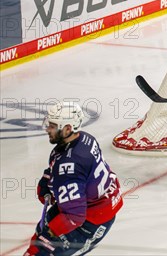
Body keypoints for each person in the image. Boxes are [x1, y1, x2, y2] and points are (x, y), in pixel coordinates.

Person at [24, 102, 123, 255]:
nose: (47, 129)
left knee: (40, 251)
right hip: (96, 203)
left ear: (68, 128)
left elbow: (75, 216)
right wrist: (49, 179)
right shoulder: (84, 138)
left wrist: (50, 234)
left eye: (53, 126)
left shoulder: (69, 166)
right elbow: (71, 169)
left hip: (91, 221)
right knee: (38, 240)